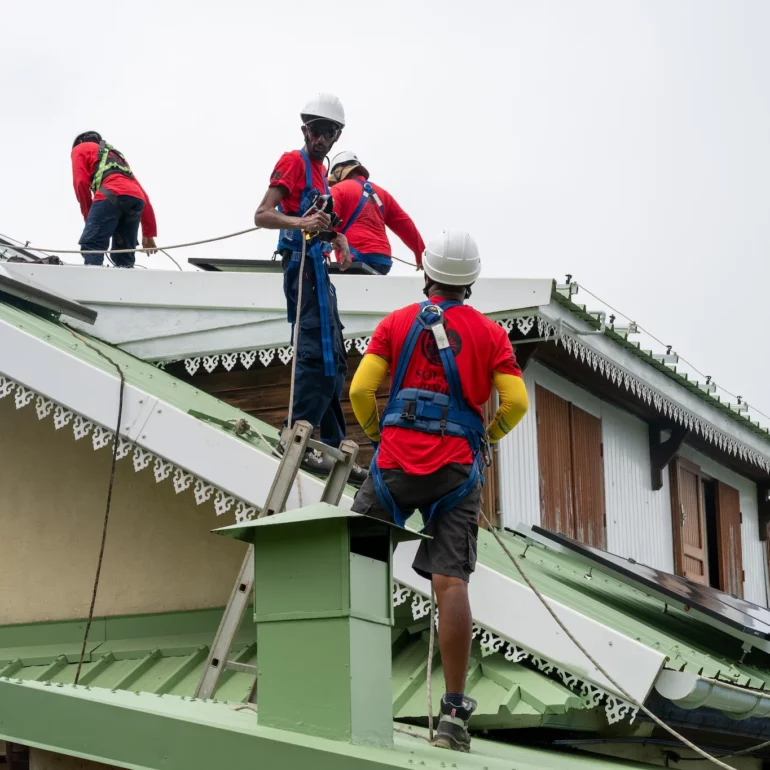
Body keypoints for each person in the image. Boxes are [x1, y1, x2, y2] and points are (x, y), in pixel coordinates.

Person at [348, 230, 529, 752]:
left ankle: (342, 678)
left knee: (358, 560)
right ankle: (452, 716)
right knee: (450, 585)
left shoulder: (397, 323)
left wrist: (379, 432)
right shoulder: (491, 335)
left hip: (394, 463)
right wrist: (486, 437)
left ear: (426, 273)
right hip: (456, 468)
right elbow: (514, 402)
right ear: (470, 281)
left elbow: (361, 390)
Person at [253, 94, 367, 485]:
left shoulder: (321, 173)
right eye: (316, 130)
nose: (321, 138)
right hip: (300, 268)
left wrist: (336, 236)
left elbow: (318, 221)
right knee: (315, 352)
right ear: (305, 131)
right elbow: (263, 214)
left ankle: (335, 446)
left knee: (334, 356)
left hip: (318, 267)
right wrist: (302, 222)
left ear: (337, 136)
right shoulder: (293, 161)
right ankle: (294, 433)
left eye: (329, 131)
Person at [328, 151, 425, 275]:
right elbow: (404, 224)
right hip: (382, 260)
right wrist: (420, 254)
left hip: (353, 258)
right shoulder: (382, 193)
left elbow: (327, 223)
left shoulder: (338, 190)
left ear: (339, 172)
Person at [71, 132, 158, 268]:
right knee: (123, 253)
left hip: (109, 194)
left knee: (92, 244)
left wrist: (89, 219)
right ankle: (125, 282)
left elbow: (81, 183)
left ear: (80, 142)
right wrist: (148, 233)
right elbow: (142, 194)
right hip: (135, 200)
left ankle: (93, 282)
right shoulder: (115, 156)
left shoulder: (80, 148)